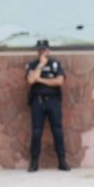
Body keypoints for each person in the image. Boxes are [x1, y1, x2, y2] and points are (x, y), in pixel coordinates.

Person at [24, 40, 68, 172]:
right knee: (37, 132)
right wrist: (41, 65)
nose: (41, 51)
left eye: (44, 49)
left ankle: (62, 161)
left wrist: (41, 80)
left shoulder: (55, 64)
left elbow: (59, 81)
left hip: (53, 101)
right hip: (38, 101)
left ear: (48, 50)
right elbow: (31, 80)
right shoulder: (32, 64)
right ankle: (34, 162)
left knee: (57, 131)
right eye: (39, 49)